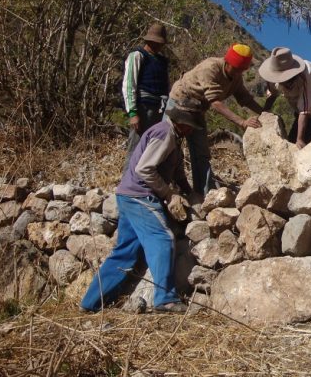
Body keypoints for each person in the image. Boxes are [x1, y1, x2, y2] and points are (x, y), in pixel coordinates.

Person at [80, 106, 199, 314]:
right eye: (190, 126)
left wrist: (189, 192)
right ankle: (165, 299)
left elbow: (177, 171)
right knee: (163, 239)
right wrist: (168, 193)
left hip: (127, 195)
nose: (192, 131)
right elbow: (144, 169)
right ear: (182, 123)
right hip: (140, 196)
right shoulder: (165, 134)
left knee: (125, 252)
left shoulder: (171, 136)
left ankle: (90, 302)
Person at [167, 43, 263, 195]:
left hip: (198, 110)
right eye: (236, 69)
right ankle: (164, 189)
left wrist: (265, 113)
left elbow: (245, 98)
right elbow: (215, 102)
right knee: (168, 145)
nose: (238, 73)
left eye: (241, 70)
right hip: (179, 101)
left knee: (201, 153)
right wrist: (242, 122)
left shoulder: (236, 78)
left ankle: (204, 195)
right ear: (227, 62)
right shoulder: (210, 67)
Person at [259, 47, 311, 149]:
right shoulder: (272, 76)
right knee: (291, 144)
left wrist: (300, 139)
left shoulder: (308, 73)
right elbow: (272, 95)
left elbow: (305, 110)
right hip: (304, 116)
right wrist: (263, 114)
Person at [122, 23, 170, 168]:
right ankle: (128, 179)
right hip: (143, 108)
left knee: (153, 149)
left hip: (160, 109)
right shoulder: (137, 55)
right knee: (136, 147)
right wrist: (132, 112)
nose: (158, 46)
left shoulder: (162, 61)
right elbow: (129, 84)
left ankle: (145, 179)